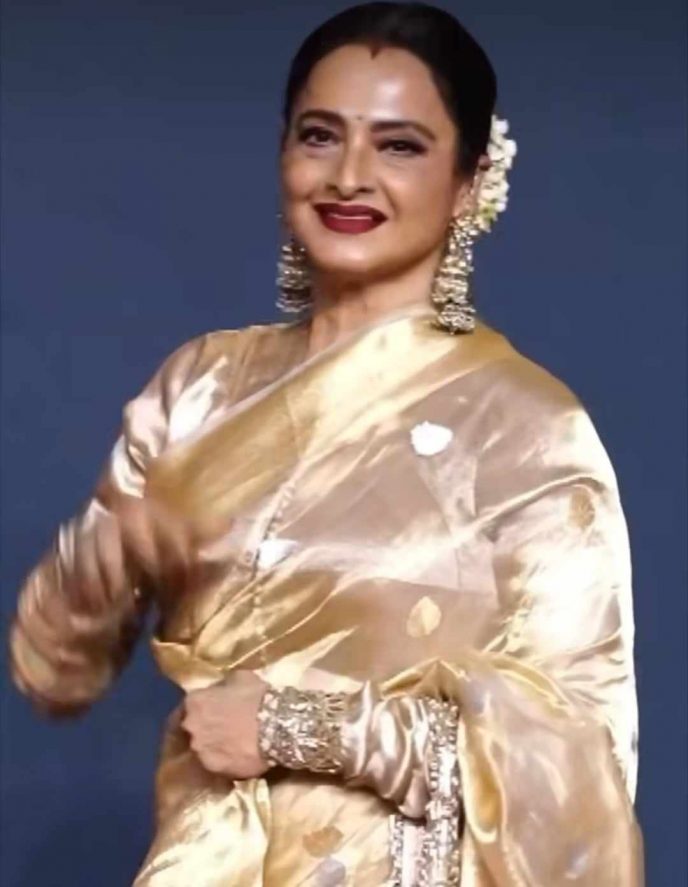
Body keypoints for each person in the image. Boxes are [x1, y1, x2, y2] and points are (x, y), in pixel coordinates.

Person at [9, 3, 644, 884]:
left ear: (470, 181)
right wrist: (102, 560)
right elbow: (53, 675)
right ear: (283, 154)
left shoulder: (529, 430)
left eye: (399, 146)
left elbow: (578, 772)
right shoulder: (200, 387)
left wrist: (295, 726)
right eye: (320, 136)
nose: (349, 176)